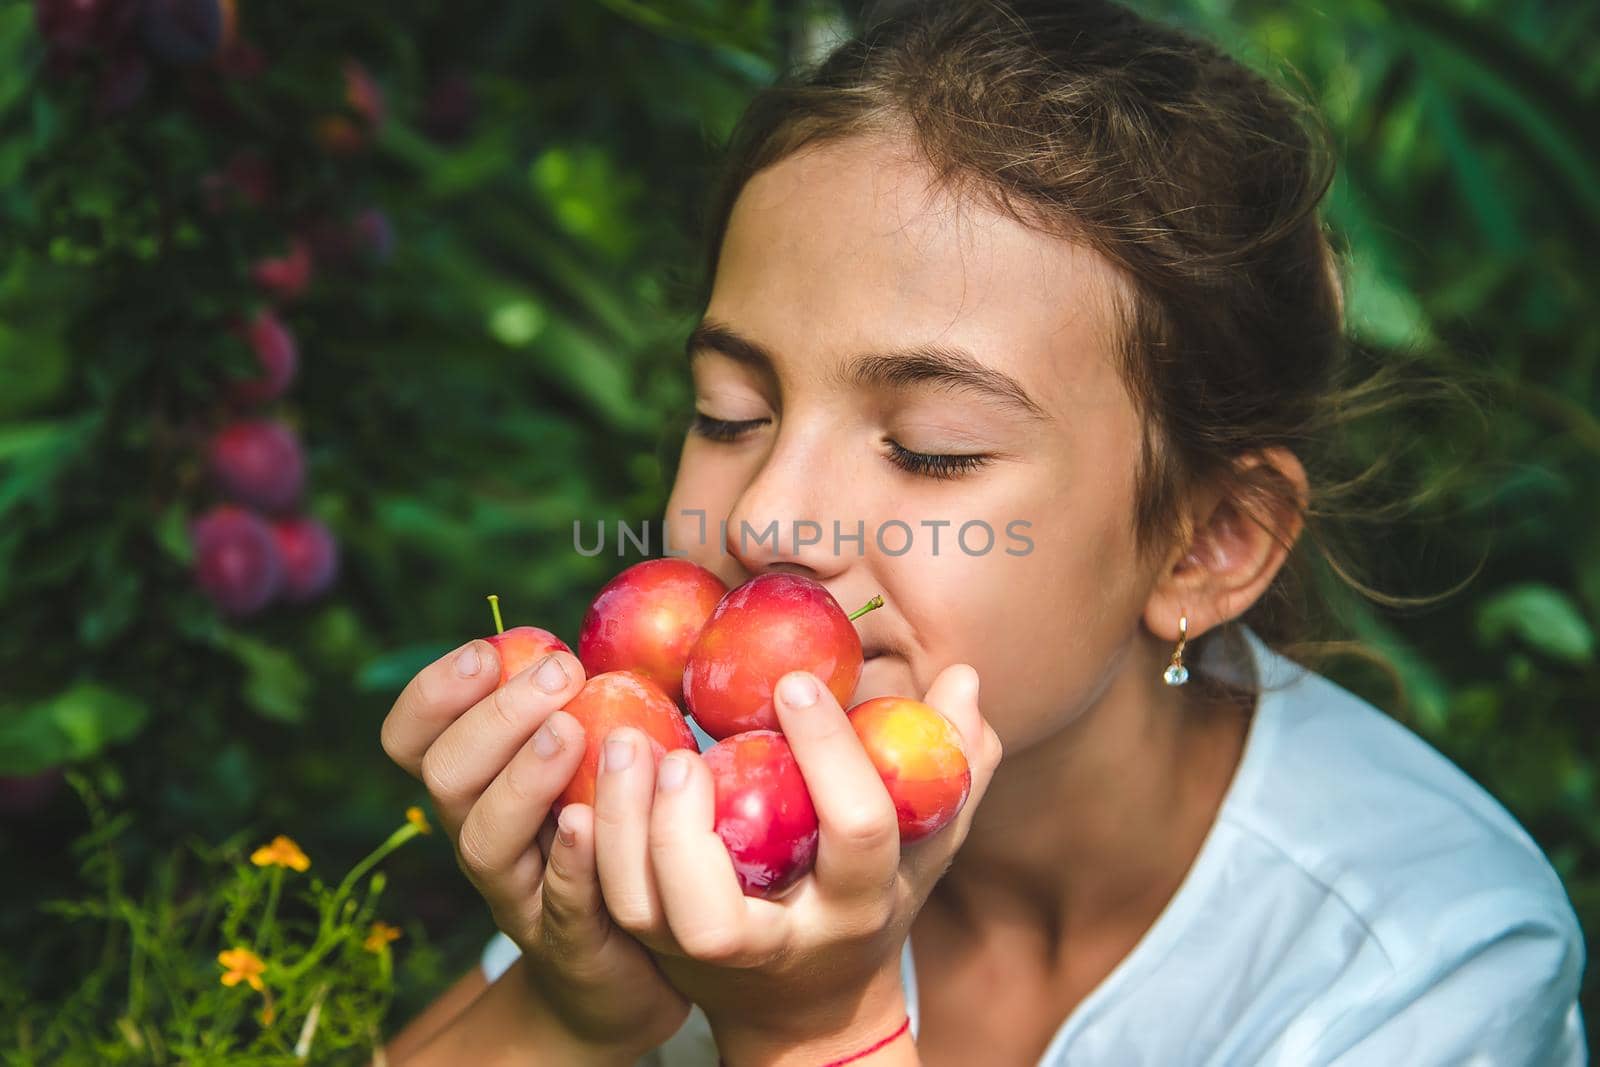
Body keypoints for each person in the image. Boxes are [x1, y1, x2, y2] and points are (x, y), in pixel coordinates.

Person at [377, 0, 1588, 1063]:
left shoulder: (1423, 964)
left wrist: (811, 1028)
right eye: (730, 411)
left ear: (1206, 543)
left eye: (930, 448)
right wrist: (580, 1010)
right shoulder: (706, 790)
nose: (764, 518)